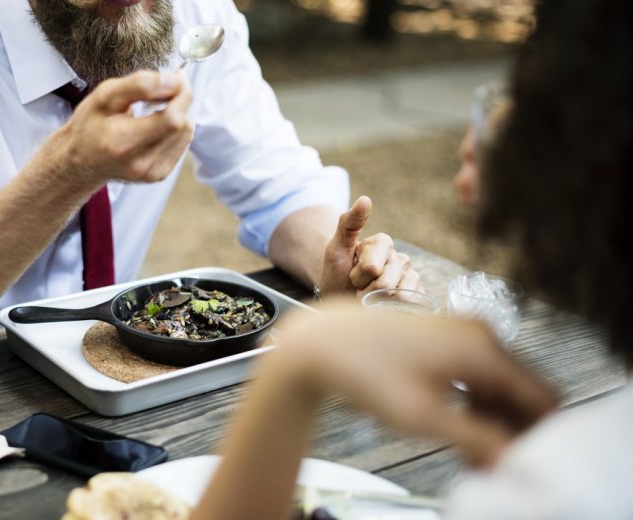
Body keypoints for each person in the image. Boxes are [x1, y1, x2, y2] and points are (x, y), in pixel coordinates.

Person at [193, 0, 633, 518]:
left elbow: (273, 177)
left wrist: (299, 365)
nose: (472, 157)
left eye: (525, 91)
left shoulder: (554, 490)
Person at [0, 0, 420, 360]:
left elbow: (278, 187)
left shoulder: (194, 16)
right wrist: (66, 171)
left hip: (113, 369)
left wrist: (332, 260)